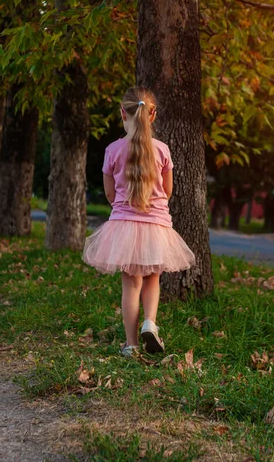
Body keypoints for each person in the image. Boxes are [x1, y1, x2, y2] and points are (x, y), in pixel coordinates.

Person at [82, 87, 195, 357]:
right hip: (157, 226)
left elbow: (110, 194)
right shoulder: (162, 150)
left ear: (123, 113)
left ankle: (131, 345)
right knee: (153, 278)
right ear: (152, 115)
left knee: (130, 284)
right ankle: (150, 323)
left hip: (123, 225)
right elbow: (167, 191)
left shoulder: (112, 150)